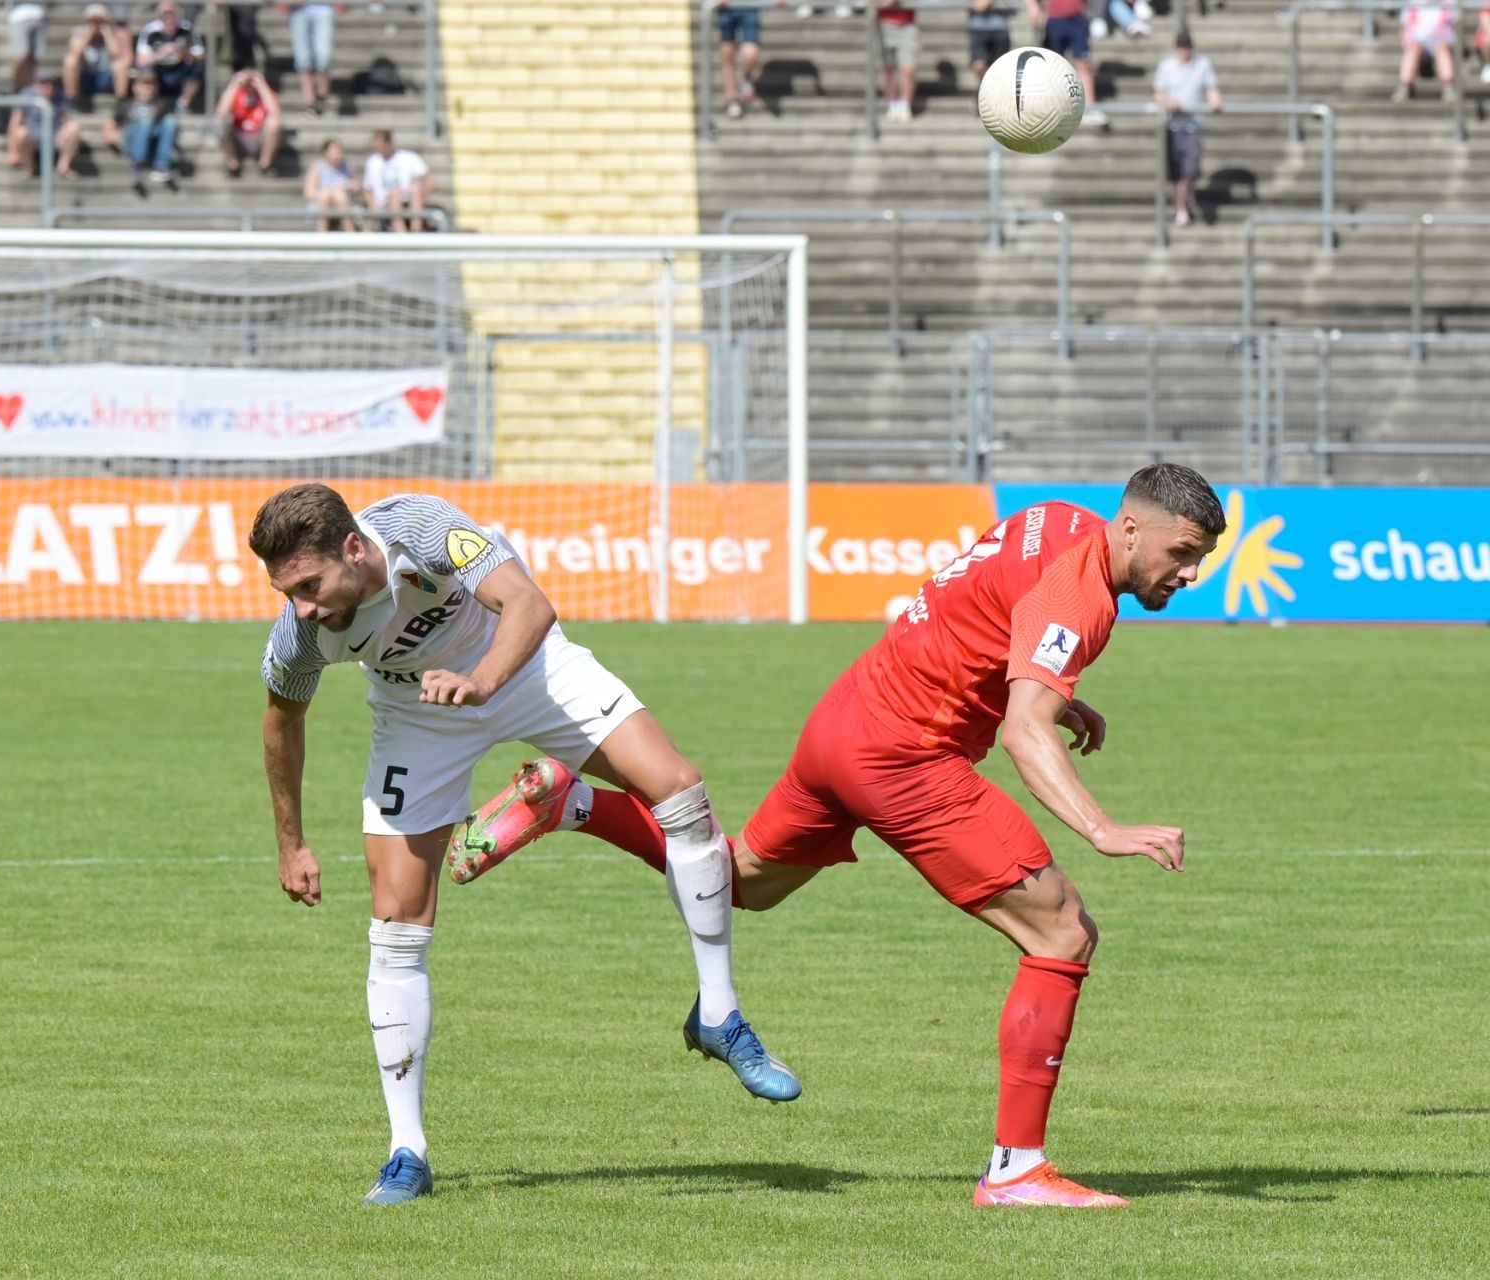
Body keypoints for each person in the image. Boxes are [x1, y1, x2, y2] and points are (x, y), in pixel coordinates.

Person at [453, 464, 1229, 1209]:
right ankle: (1017, 1170)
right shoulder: (1080, 594)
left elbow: (984, 612)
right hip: (905, 755)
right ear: (1131, 530)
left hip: (847, 717)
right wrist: (1102, 827)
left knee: (738, 882)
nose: (1190, 574)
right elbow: (1024, 732)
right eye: (1182, 553)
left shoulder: (1053, 520)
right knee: (1061, 932)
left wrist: (1054, 694)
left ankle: (571, 804)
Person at [253, 484, 799, 1205]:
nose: (301, 608)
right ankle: (406, 1152)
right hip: (420, 718)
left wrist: (482, 682)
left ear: (354, 548)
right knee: (396, 921)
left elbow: (530, 605)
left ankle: (720, 1014)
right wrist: (291, 844)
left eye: (310, 587)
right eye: (287, 593)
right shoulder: (300, 635)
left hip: (526, 668)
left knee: (680, 792)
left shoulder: (421, 527)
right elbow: (282, 722)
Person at [1153, 32, 1222, 228]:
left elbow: (1211, 88)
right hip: (1173, 125)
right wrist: (1169, 102)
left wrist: (1216, 100)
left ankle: (1183, 204)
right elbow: (1159, 93)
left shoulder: (1202, 65)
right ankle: (1181, 207)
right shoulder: (1167, 67)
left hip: (1193, 126)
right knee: (1176, 173)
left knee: (1189, 170)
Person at [1026, 0, 1107, 126]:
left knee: (1083, 64)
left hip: (1077, 19)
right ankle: (1047, 107)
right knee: (1050, 65)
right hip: (1055, 20)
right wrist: (1034, 8)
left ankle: (1089, 108)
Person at [8, 66, 82, 179]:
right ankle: (30, 167)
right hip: (33, 139)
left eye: (52, 83)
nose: (48, 87)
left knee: (74, 126)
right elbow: (15, 123)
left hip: (54, 137)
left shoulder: (60, 96)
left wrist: (73, 144)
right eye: (44, 83)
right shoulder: (27, 95)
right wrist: (12, 150)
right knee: (20, 133)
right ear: (35, 84)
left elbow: (66, 120)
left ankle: (64, 166)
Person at [136, 0, 205, 112]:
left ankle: (183, 104)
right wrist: (160, 54)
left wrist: (184, 53)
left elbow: (201, 56)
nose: (169, 18)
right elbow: (141, 60)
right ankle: (150, 104)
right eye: (165, 14)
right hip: (159, 71)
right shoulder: (150, 31)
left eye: (172, 14)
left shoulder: (187, 29)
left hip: (180, 70)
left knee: (198, 68)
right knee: (146, 70)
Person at [115, 68, 177, 193]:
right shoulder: (127, 105)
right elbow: (110, 127)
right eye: (144, 84)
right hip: (132, 141)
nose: (147, 88)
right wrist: (113, 135)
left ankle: (161, 166)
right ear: (135, 87)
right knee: (144, 122)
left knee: (169, 121)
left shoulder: (161, 105)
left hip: (151, 141)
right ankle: (137, 167)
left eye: (151, 85)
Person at [212, 67, 280, 177]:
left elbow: (275, 113)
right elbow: (221, 113)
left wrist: (262, 85)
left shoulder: (267, 94)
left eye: (252, 81)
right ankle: (233, 164)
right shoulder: (235, 94)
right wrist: (234, 84)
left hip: (259, 138)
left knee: (274, 122)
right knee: (218, 122)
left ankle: (265, 164)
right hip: (239, 137)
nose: (249, 85)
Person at [363, 129, 435, 231]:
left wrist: (422, 196)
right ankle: (401, 233)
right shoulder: (373, 162)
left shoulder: (409, 158)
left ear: (389, 143)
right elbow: (367, 189)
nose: (379, 151)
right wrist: (373, 207)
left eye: (381, 147)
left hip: (408, 200)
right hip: (385, 203)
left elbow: (432, 182)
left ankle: (416, 230)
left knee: (415, 188)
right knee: (395, 192)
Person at [64, 2, 132, 107]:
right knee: (70, 60)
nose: (96, 25)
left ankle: (120, 102)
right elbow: (76, 52)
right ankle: (73, 100)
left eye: (100, 21)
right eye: (92, 21)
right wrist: (89, 35)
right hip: (85, 76)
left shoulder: (113, 34)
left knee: (120, 64)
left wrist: (106, 33)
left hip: (106, 77)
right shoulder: (79, 33)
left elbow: (116, 54)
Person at [1396, 1, 1460, 103]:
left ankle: (1448, 86)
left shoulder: (1449, 2)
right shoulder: (1412, 3)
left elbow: (1456, 26)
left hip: (1441, 39)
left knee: (1442, 49)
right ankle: (1405, 85)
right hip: (1418, 40)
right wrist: (1404, 40)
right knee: (1413, 48)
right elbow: (1404, 27)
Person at [715, 0, 763, 120]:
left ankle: (747, 78)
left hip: (749, 6)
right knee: (727, 53)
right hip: (726, 8)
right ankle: (732, 98)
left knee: (751, 52)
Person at [290, 2, 336, 115]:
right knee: (302, 58)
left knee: (323, 57)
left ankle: (322, 95)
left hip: (323, 8)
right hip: (299, 9)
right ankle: (310, 101)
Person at [303, 136, 359, 230]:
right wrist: (330, 192)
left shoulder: (347, 166)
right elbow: (309, 193)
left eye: (339, 150)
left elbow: (356, 186)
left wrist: (348, 187)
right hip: (321, 203)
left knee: (339, 195)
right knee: (328, 195)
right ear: (326, 152)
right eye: (334, 150)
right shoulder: (317, 167)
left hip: (343, 202)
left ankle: (349, 231)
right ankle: (324, 233)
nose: (338, 153)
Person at [878, 0, 919, 121]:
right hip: (884, 22)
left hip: (907, 23)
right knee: (888, 69)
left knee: (908, 69)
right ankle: (893, 104)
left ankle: (905, 105)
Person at [968, 0, 1015, 90]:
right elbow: (976, 6)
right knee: (979, 65)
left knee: (998, 67)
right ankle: (984, 90)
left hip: (1000, 28)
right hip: (978, 28)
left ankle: (994, 91)